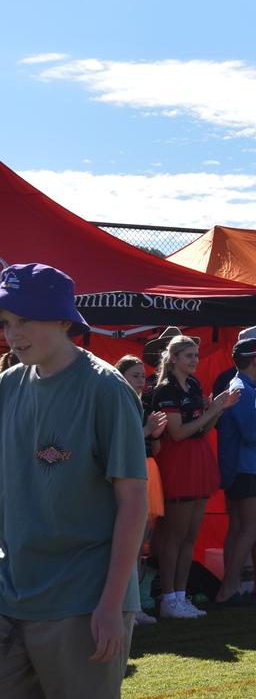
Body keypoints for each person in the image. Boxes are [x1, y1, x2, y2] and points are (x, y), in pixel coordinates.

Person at [0, 263, 149, 698]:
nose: (14, 333)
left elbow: (133, 503)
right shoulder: (7, 386)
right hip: (12, 598)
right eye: (8, 322)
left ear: (64, 320)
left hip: (82, 603)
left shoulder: (106, 389)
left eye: (26, 318)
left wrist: (110, 605)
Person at [150, 334, 240, 619]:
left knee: (190, 534)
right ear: (174, 358)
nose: (195, 361)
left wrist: (219, 409)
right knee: (174, 534)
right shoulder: (165, 390)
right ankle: (168, 597)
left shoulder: (194, 385)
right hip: (178, 462)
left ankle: (180, 595)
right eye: (189, 356)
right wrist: (212, 409)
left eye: (196, 356)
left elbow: (202, 429)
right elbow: (177, 433)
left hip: (198, 458)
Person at [213, 338, 256, 607]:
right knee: (250, 527)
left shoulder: (240, 386)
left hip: (239, 466)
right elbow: (250, 434)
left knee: (238, 527)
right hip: (246, 467)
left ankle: (230, 588)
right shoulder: (244, 390)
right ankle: (229, 588)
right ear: (254, 360)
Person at [114, 355, 169, 626]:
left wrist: (155, 434)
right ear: (120, 376)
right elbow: (119, 441)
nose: (141, 381)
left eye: (142, 376)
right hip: (129, 476)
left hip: (148, 473)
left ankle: (135, 607)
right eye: (135, 375)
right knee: (128, 544)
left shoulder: (141, 405)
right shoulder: (116, 403)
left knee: (141, 545)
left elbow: (153, 448)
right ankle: (125, 608)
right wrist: (146, 429)